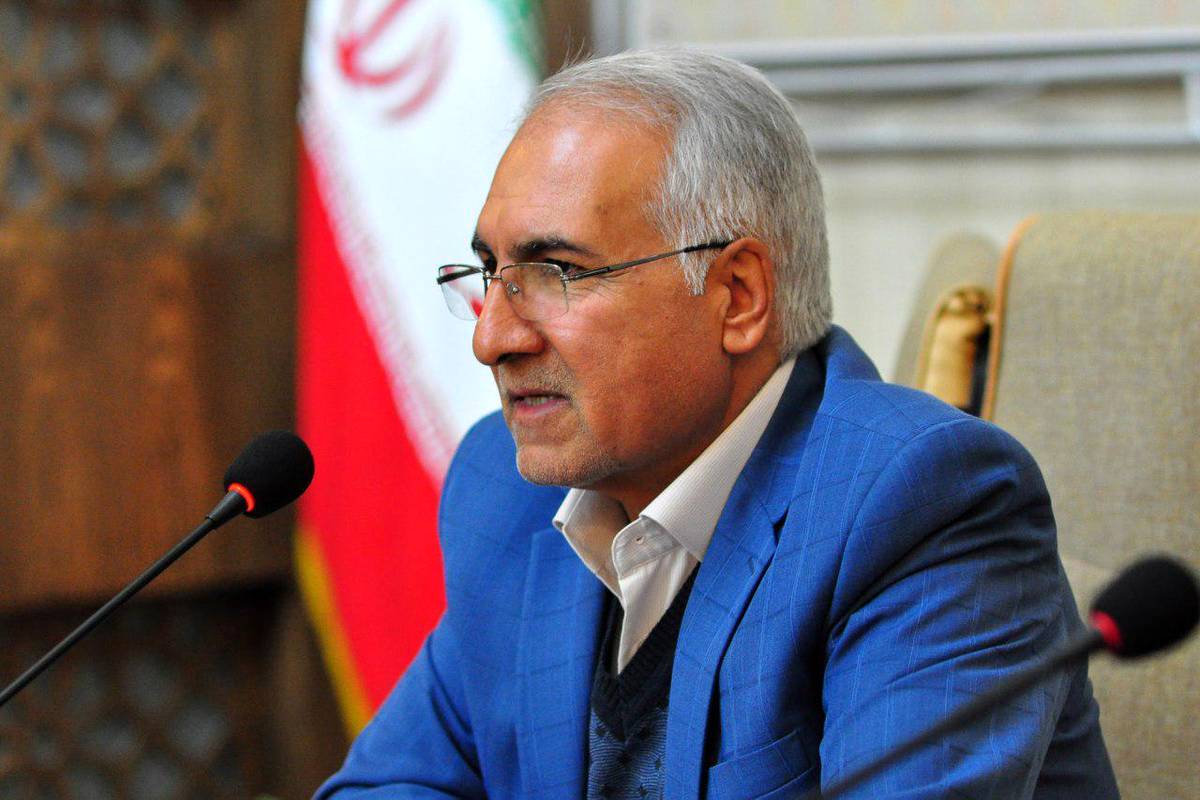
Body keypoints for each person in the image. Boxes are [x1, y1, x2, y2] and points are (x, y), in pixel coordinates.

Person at [317, 49, 1118, 799]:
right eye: (493, 273)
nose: (491, 338)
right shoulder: (506, 489)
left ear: (737, 296)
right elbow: (387, 785)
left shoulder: (922, 507)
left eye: (557, 272)